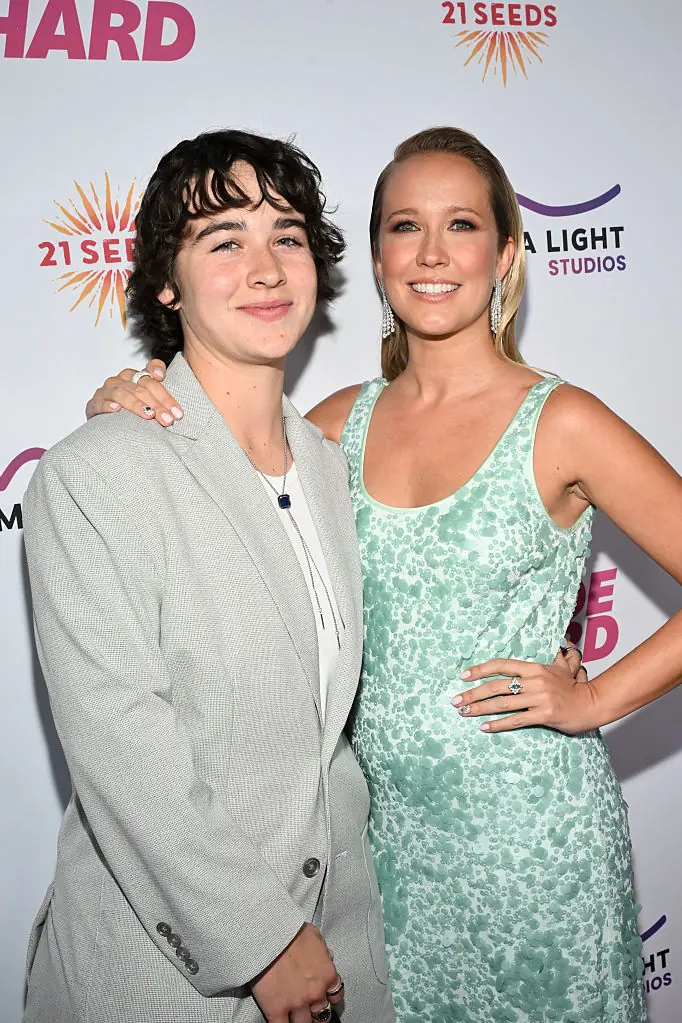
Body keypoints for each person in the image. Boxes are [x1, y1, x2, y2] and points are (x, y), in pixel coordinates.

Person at [83, 127, 664, 1023]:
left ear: (505, 252)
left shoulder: (565, 421)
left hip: (537, 854)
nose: (432, 254)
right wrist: (124, 398)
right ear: (380, 255)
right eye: (404, 227)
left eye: (462, 224)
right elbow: (204, 480)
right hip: (383, 863)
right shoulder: (331, 428)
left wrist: (594, 700)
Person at [22, 130, 396, 1023]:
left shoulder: (336, 466)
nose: (266, 267)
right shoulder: (96, 470)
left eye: (289, 236)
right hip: (160, 976)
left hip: (344, 953)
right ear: (167, 282)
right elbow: (122, 742)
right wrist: (262, 939)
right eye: (224, 241)